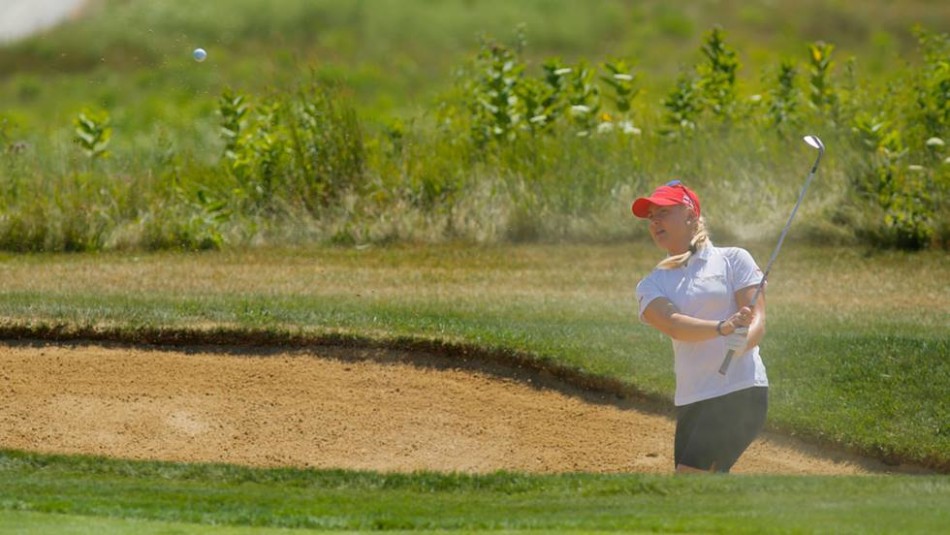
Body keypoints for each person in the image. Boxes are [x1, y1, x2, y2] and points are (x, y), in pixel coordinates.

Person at [632, 180, 768, 474]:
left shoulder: (733, 260)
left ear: (691, 216)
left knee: (690, 482)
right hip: (693, 399)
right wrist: (722, 328)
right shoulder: (652, 284)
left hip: (738, 390)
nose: (655, 221)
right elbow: (674, 325)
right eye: (651, 216)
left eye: (664, 212)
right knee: (699, 494)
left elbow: (758, 319)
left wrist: (744, 341)